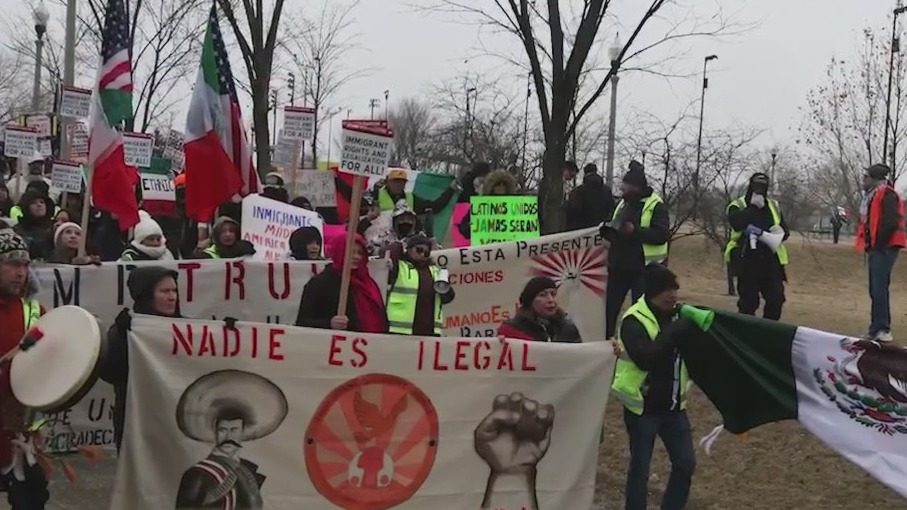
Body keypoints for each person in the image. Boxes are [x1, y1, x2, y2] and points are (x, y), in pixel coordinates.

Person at [611, 264, 696, 510]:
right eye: (666, 290)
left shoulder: (679, 315)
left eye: (674, 289)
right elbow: (645, 357)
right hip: (643, 409)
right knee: (640, 470)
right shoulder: (633, 320)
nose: (673, 295)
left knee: (685, 463)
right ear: (652, 292)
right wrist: (672, 332)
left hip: (674, 407)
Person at [99, 266, 180, 452]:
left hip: (172, 421)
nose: (172, 297)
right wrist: (120, 337)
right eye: (165, 291)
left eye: (174, 290)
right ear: (146, 295)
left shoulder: (186, 329)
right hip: (134, 420)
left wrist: (228, 332)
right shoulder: (125, 329)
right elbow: (109, 373)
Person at [0, 230, 50, 509]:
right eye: (12, 264)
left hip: (22, 433)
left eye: (25, 265)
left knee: (32, 501)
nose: (20, 272)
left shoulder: (34, 310)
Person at [600, 161, 670, 339]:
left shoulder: (656, 205)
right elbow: (612, 223)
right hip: (618, 267)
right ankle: (606, 342)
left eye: (626, 188)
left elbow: (662, 235)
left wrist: (635, 231)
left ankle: (639, 343)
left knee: (641, 313)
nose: (623, 192)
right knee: (608, 311)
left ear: (637, 188)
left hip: (643, 269)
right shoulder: (622, 204)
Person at [725, 172, 789, 320]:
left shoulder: (773, 205)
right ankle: (747, 335)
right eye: (757, 186)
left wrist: (779, 233)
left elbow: (785, 232)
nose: (760, 190)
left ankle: (769, 332)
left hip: (770, 262)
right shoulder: (737, 205)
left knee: (776, 299)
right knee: (748, 303)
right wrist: (752, 208)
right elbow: (737, 223)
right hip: (746, 259)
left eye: (763, 187)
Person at [295, 233, 388, 333]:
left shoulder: (369, 284)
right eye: (351, 252)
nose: (356, 257)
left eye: (359, 253)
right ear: (340, 251)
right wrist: (329, 324)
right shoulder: (320, 283)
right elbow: (302, 322)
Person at [855, 164, 905, 342]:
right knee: (875, 288)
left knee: (879, 288)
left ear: (875, 179)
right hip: (877, 247)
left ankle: (882, 328)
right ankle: (876, 327)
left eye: (866, 177)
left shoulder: (887, 194)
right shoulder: (872, 196)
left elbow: (890, 222)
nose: (863, 180)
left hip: (885, 247)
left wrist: (878, 244)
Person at [386, 235, 454, 336]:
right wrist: (400, 244)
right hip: (400, 330)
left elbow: (448, 298)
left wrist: (445, 289)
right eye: (419, 250)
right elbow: (391, 251)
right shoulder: (399, 267)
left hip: (429, 331)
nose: (422, 254)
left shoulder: (435, 271)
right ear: (409, 250)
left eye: (426, 253)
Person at [497, 276, 581, 342]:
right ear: (530, 301)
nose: (551, 300)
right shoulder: (512, 329)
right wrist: (499, 346)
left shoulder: (568, 328)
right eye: (542, 295)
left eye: (553, 294)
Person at [375, 168, 458, 215]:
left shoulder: (411, 198)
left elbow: (435, 207)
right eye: (395, 181)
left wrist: (451, 189)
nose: (399, 184)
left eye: (402, 182)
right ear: (388, 183)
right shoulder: (376, 195)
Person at [566, 163, 615, 231]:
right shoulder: (607, 191)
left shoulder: (578, 192)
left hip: (582, 233)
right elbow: (611, 210)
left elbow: (573, 214)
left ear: (585, 174)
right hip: (602, 232)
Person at [12, 190, 54, 261]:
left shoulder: (53, 227)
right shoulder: (18, 229)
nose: (39, 205)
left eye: (42, 202)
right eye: (33, 203)